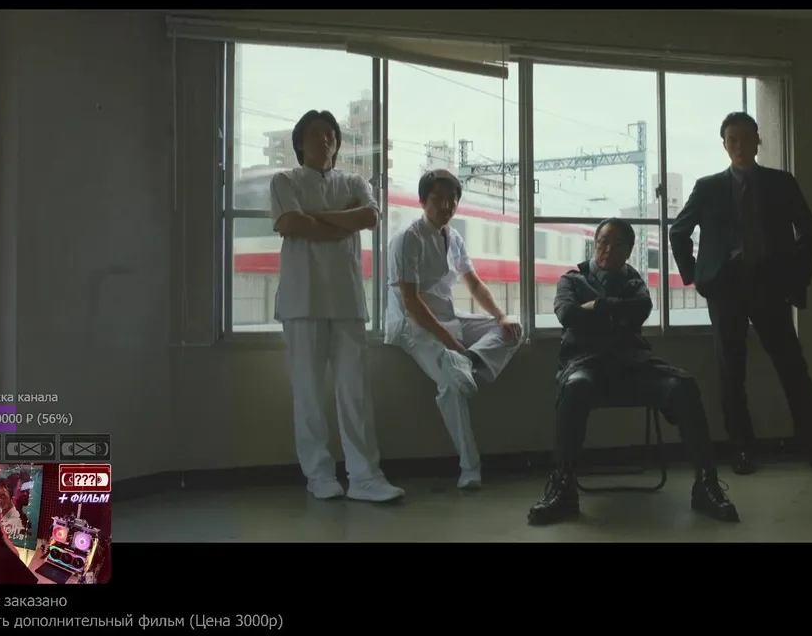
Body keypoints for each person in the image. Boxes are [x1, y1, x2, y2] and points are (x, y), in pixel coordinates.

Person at [669, 111, 812, 476]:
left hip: (769, 285)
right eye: (733, 140)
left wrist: (794, 277)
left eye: (746, 138)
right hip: (726, 287)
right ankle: (742, 450)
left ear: (758, 140)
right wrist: (697, 276)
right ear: (724, 146)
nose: (740, 146)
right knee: (731, 371)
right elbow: (679, 232)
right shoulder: (707, 187)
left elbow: (809, 232)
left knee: (793, 367)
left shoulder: (781, 183)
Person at [528, 218, 739, 525]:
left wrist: (596, 307)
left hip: (634, 365)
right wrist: (616, 313)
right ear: (594, 243)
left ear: (629, 251)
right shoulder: (572, 280)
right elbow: (567, 314)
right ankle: (562, 487)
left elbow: (640, 309)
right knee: (575, 387)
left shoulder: (634, 281)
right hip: (586, 365)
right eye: (602, 242)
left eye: (617, 245)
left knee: (683, 386)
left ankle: (706, 484)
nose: (607, 250)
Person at [270, 109, 404, 503]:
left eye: (330, 134)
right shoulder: (285, 180)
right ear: (300, 142)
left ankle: (365, 477)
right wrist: (341, 223)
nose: (324, 139)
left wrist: (314, 218)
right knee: (308, 394)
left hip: (347, 300)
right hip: (301, 300)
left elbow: (370, 216)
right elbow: (291, 224)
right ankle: (319, 476)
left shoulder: (355, 181)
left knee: (355, 392)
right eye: (315, 134)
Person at [384, 169, 523, 489]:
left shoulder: (453, 236)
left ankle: (469, 362)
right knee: (451, 384)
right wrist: (452, 344)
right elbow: (411, 302)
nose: (447, 206)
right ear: (422, 201)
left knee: (515, 329)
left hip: (447, 317)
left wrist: (501, 316)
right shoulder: (408, 238)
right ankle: (470, 468)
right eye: (438, 199)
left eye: (452, 200)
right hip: (412, 325)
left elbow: (473, 283)